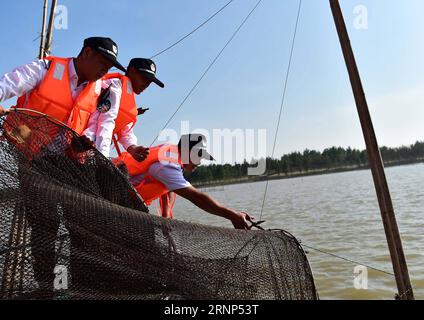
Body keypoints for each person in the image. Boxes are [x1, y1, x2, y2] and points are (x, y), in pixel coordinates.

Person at [0, 36, 126, 296]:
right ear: (87, 53)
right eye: (104, 62)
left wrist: (85, 143)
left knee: (82, 224)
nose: (106, 69)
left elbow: (94, 128)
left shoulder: (99, 89)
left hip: (68, 164)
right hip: (31, 158)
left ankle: (82, 286)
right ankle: (48, 287)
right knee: (44, 225)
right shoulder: (44, 69)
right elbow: (6, 85)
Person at [117, 134, 254, 230]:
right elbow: (197, 197)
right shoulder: (167, 163)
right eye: (199, 155)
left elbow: (166, 189)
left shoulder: (172, 156)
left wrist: (165, 217)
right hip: (112, 192)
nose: (200, 162)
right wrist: (233, 215)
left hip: (125, 200)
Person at [83, 58, 165, 162]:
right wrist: (103, 158)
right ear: (131, 71)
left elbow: (124, 131)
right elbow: (105, 121)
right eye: (145, 78)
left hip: (89, 149)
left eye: (150, 82)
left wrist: (132, 147)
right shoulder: (114, 86)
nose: (147, 84)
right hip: (79, 141)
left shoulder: (128, 96)